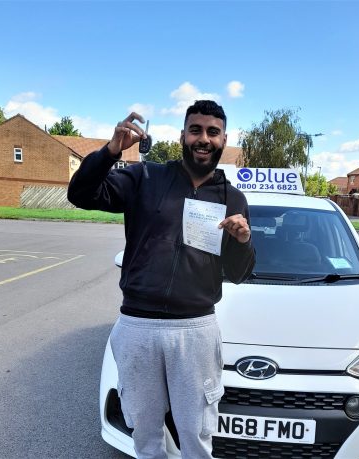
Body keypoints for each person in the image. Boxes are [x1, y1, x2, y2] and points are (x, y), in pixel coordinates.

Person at [68, 100, 255, 459]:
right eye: (196, 130)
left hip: (195, 330)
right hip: (138, 326)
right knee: (145, 433)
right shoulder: (146, 178)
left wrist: (243, 241)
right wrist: (109, 152)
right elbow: (81, 194)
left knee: (196, 433)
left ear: (224, 139)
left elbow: (238, 272)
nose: (203, 138)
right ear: (183, 135)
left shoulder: (233, 198)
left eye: (212, 132)